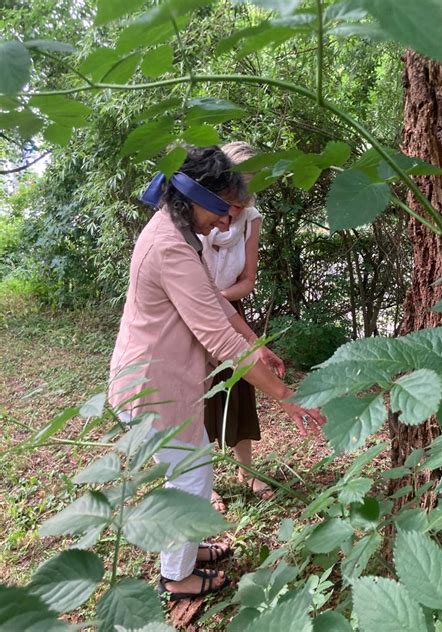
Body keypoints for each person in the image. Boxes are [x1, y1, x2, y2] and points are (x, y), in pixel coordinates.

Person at [108, 145, 324, 601]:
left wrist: (258, 349)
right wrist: (285, 396)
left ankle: (183, 552)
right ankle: (175, 577)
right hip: (152, 387)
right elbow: (218, 340)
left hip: (165, 382)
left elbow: (216, 306)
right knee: (189, 477)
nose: (227, 223)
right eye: (223, 211)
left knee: (192, 468)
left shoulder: (180, 234)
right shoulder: (171, 246)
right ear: (191, 195)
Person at [201, 141, 276, 509]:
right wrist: (204, 300)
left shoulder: (251, 218)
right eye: (236, 191)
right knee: (197, 393)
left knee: (240, 387)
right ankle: (202, 483)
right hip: (192, 310)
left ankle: (247, 472)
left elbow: (248, 278)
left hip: (230, 305)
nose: (240, 202)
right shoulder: (198, 210)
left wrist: (220, 298)